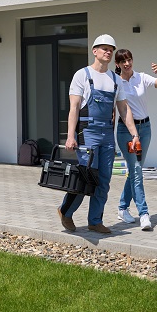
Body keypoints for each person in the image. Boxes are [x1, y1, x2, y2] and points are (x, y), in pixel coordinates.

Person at [57, 34, 139, 234]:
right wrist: (70, 136)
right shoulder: (82, 75)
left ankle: (95, 220)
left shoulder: (115, 79)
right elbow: (74, 108)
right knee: (87, 176)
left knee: (104, 179)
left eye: (111, 48)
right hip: (87, 132)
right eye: (104, 48)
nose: (108, 51)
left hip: (107, 134)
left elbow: (124, 109)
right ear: (94, 51)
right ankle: (66, 211)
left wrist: (134, 134)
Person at [114, 48, 157, 231]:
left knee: (134, 171)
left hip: (145, 129)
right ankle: (144, 214)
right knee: (136, 171)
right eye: (123, 61)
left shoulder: (141, 77)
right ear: (118, 64)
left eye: (129, 60)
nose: (127, 64)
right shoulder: (116, 82)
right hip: (125, 132)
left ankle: (122, 208)